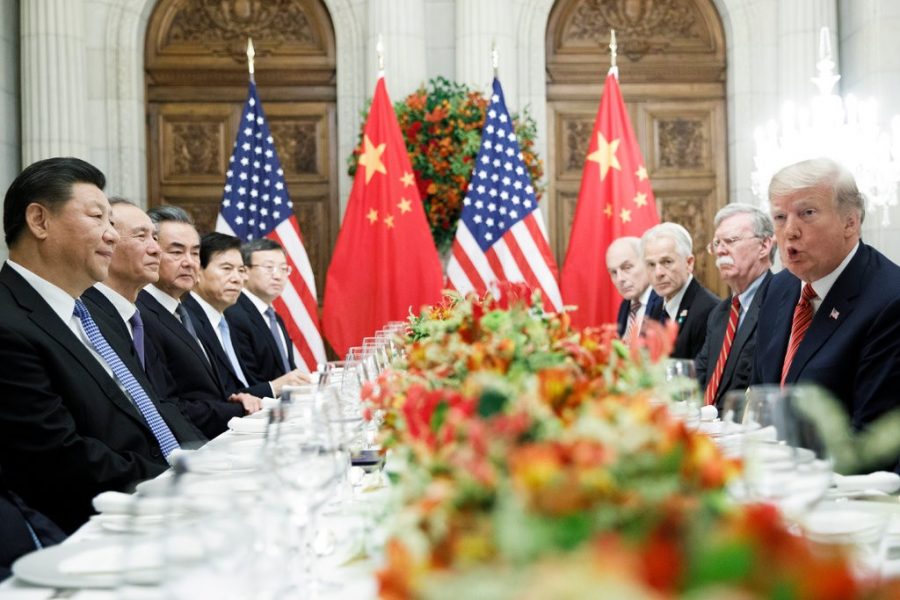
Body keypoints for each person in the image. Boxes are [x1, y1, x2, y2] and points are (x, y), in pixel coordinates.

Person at [0, 157, 199, 532]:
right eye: (97, 218)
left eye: (112, 222)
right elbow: (59, 458)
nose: (112, 235)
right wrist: (181, 481)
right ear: (39, 221)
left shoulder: (93, 316)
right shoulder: (9, 323)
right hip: (100, 530)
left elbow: (150, 408)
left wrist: (204, 462)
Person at [752, 158, 900, 430]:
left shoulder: (890, 300)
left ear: (850, 223)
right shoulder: (778, 287)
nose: (790, 231)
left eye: (807, 213)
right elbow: (759, 395)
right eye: (780, 217)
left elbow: (871, 438)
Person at [136, 206, 250, 438]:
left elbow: (204, 389)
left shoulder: (186, 312)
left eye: (195, 253)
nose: (189, 262)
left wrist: (236, 399)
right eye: (176, 252)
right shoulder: (140, 315)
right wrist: (237, 409)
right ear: (152, 252)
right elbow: (167, 404)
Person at [183, 232, 308, 400]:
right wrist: (273, 388)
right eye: (227, 269)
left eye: (240, 270)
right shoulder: (187, 321)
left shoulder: (222, 320)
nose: (237, 279)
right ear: (198, 272)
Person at [694, 204, 774, 408]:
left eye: (731, 241)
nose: (720, 251)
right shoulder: (719, 313)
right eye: (717, 244)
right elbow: (699, 376)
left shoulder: (779, 303)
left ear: (764, 246)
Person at [226, 238, 299, 383]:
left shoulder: (275, 318)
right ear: (245, 271)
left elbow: (287, 371)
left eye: (283, 268)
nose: (278, 276)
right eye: (268, 267)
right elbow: (247, 380)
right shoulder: (233, 314)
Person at [641, 222, 719, 359]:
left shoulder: (710, 311)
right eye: (651, 264)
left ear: (689, 263)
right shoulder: (657, 307)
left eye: (667, 262)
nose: (658, 273)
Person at [605, 236, 662, 341]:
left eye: (627, 267)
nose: (620, 279)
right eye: (613, 272)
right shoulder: (626, 304)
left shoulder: (665, 303)